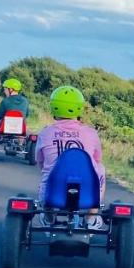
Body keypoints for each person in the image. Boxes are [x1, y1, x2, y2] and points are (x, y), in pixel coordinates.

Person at [35, 85, 105, 227]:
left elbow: (40, 161)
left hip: (52, 193)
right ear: (79, 107)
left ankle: (48, 217)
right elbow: (97, 159)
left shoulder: (45, 133)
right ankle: (91, 218)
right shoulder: (91, 133)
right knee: (100, 167)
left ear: (54, 106)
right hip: (87, 193)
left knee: (47, 171)